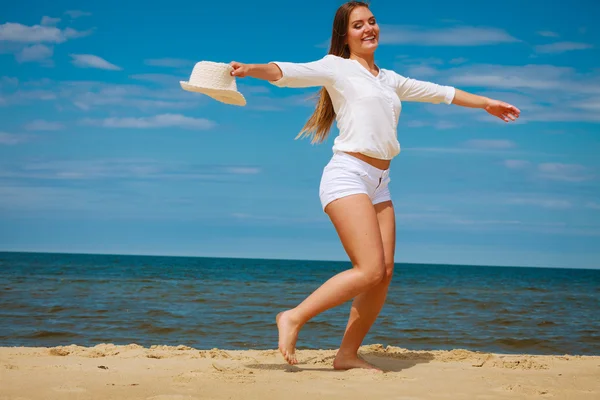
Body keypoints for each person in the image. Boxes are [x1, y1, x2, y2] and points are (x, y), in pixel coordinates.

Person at [229, 1, 520, 370]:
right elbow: (286, 71)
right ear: (345, 35)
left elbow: (440, 92)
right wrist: (249, 69)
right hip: (347, 174)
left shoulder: (390, 79)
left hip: (380, 183)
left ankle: (347, 354)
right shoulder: (336, 67)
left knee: (383, 274)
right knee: (367, 269)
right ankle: (293, 317)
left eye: (372, 21)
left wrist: (486, 104)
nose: (369, 29)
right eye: (358, 25)